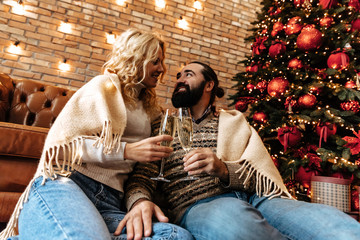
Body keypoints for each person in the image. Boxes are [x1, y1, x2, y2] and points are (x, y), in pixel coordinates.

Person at [116, 61, 360, 240]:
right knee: (241, 228)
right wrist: (139, 202)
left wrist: (223, 169)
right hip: (200, 204)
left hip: (260, 199)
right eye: (179, 75)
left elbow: (261, 178)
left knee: (334, 226)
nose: (179, 79)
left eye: (188, 74)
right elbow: (142, 177)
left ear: (209, 84)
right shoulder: (163, 125)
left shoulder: (234, 122)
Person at [0, 29, 193, 240]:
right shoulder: (103, 87)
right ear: (137, 58)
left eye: (162, 62)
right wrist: (126, 151)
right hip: (70, 183)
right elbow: (63, 146)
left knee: (176, 236)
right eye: (155, 61)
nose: (162, 69)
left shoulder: (150, 108)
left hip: (111, 201)